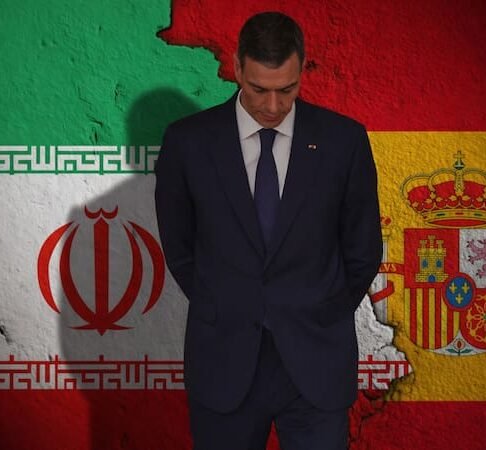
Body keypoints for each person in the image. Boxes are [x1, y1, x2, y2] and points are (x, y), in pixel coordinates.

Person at [154, 11, 382, 450]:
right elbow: (180, 248)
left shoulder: (344, 141)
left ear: (302, 71)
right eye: (259, 89)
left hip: (317, 365)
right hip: (223, 363)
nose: (273, 106)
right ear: (237, 68)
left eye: (287, 89)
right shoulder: (188, 142)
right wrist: (223, 305)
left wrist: (321, 311)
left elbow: (363, 250)